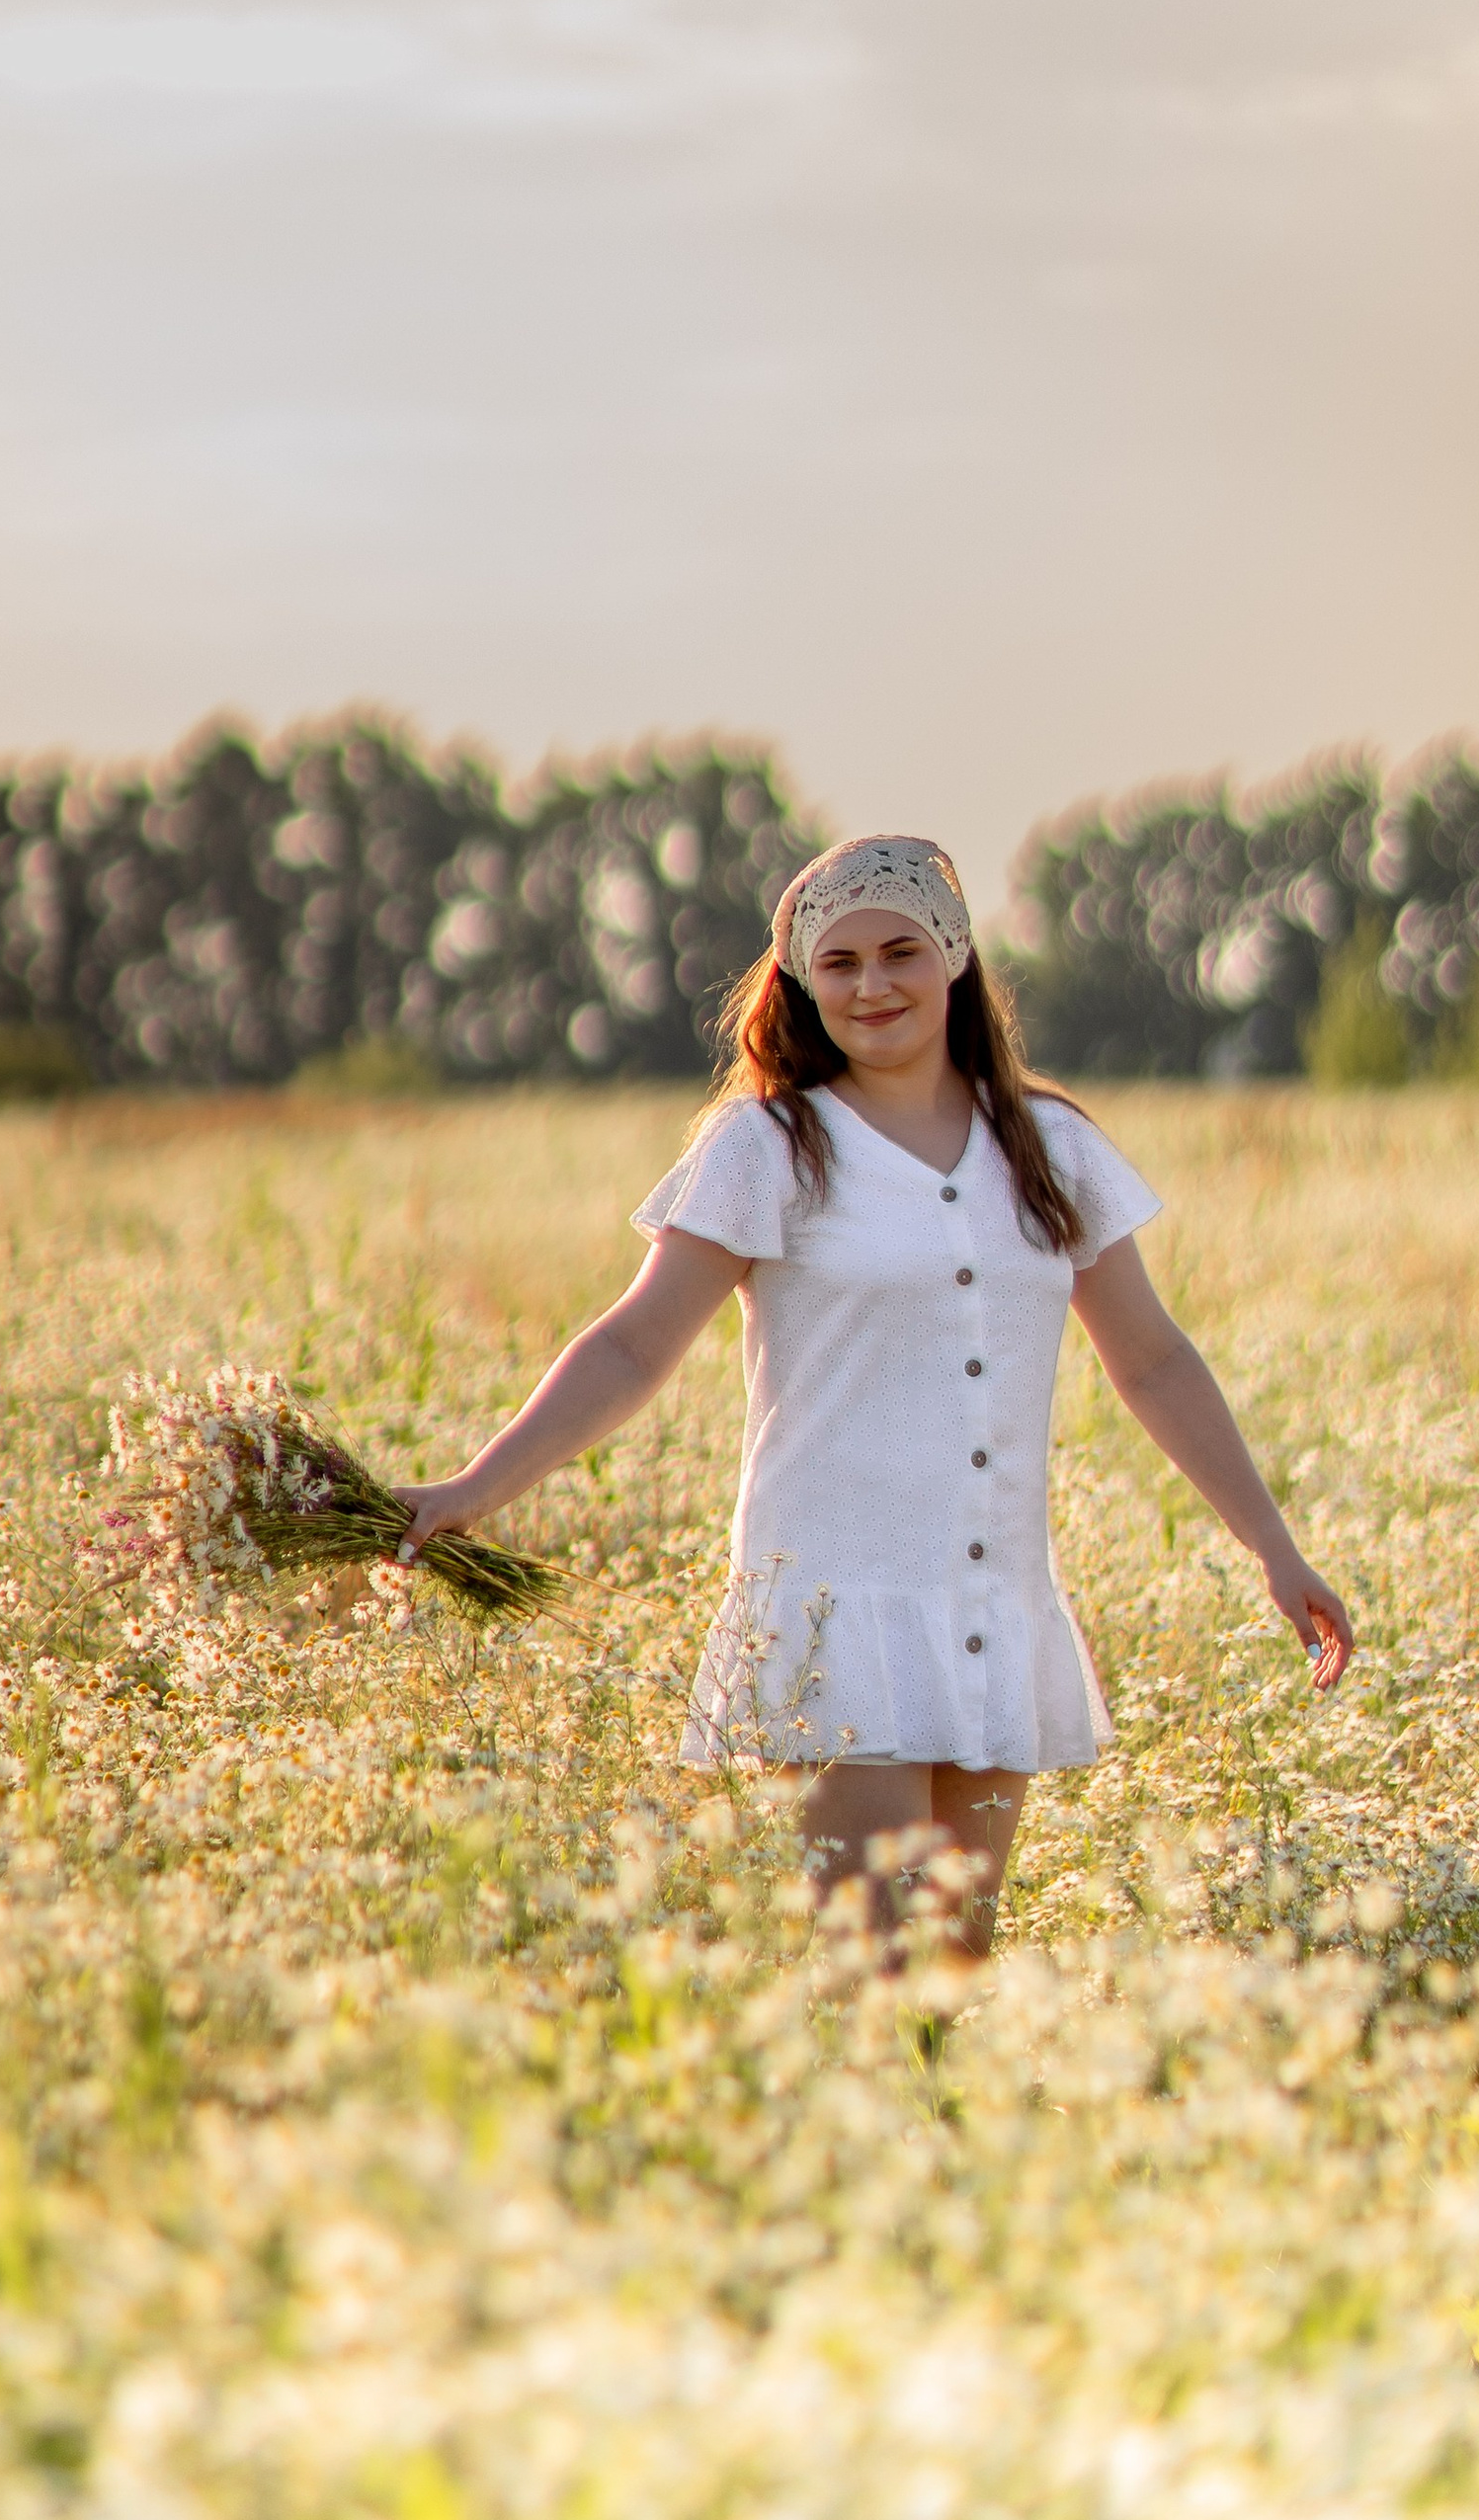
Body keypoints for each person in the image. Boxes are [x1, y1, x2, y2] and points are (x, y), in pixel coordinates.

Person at [395, 834, 1355, 1952]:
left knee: (950, 1970)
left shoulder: (1048, 1146)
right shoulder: (766, 1146)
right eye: (838, 963)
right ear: (802, 981)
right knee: (878, 1974)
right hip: (835, 1603)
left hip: (992, 1602)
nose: (871, 984)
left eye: (898, 951)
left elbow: (1151, 1361)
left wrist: (1273, 1549)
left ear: (953, 958)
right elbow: (631, 1347)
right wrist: (475, 1486)